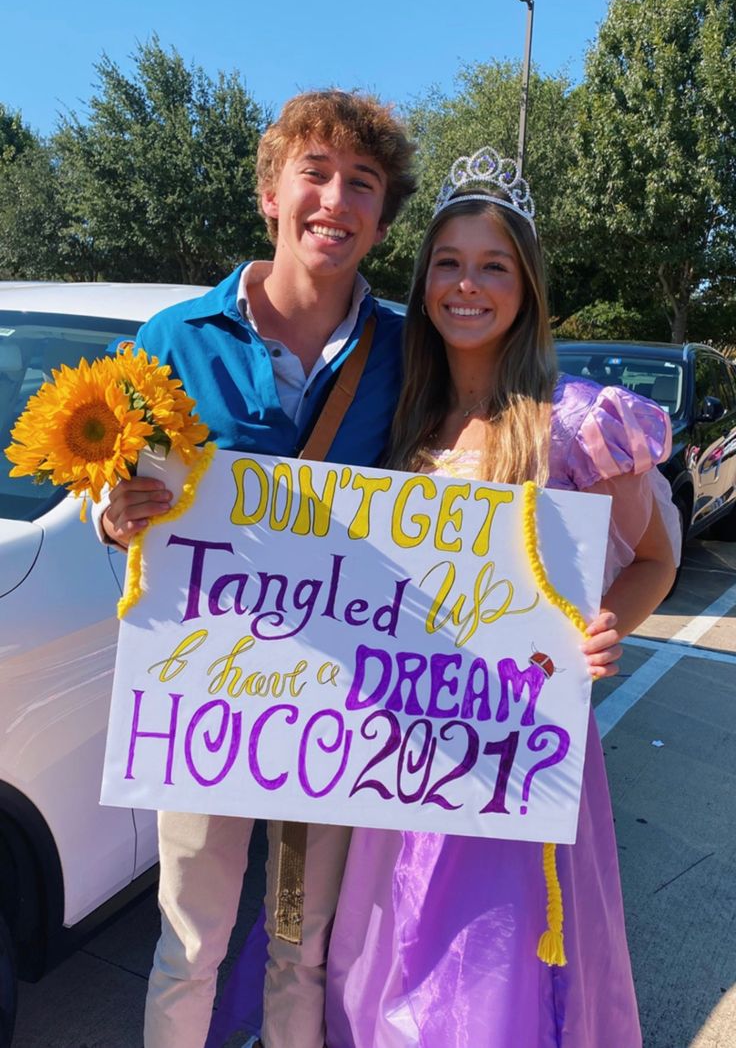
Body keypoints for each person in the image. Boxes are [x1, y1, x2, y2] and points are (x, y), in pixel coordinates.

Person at [325, 148, 679, 1048]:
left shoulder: (575, 423)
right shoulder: (400, 415)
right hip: (401, 754)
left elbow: (652, 560)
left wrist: (602, 636)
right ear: (424, 278)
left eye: (493, 266)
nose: (466, 286)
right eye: (447, 263)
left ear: (525, 287)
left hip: (514, 758)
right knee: (391, 967)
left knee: (490, 982)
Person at [98, 89, 416, 1048]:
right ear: (271, 195)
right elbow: (113, 499)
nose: (336, 198)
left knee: (300, 948)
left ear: (380, 218)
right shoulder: (172, 342)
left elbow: (465, 479)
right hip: (206, 697)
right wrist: (116, 518)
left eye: (361, 183)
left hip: (337, 707)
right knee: (187, 944)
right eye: (314, 172)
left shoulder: (411, 351)